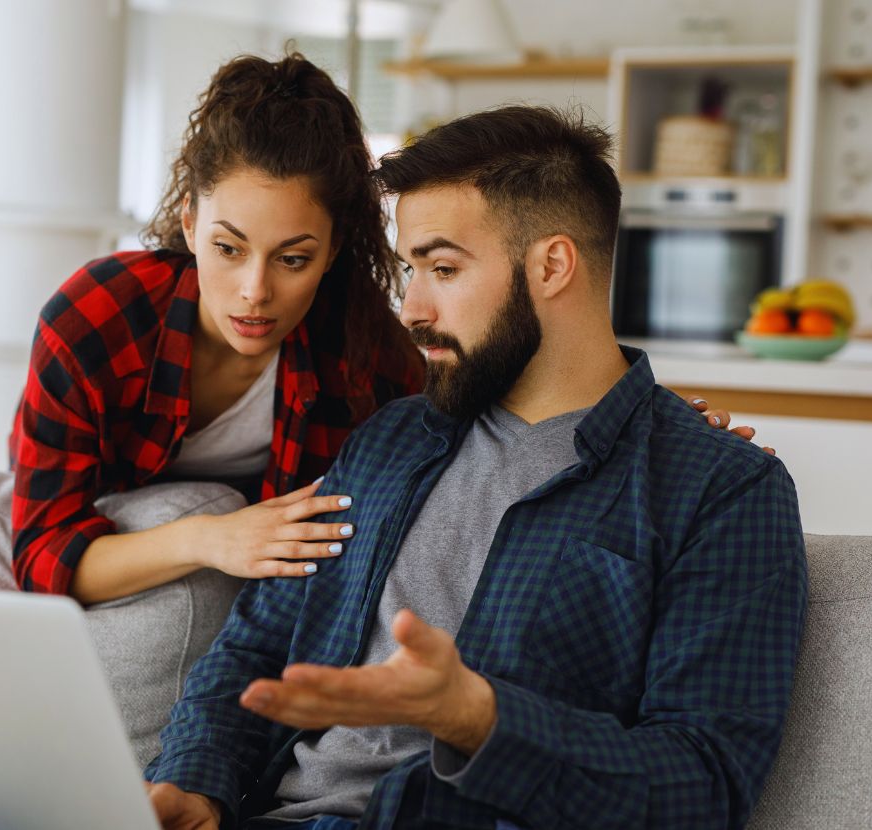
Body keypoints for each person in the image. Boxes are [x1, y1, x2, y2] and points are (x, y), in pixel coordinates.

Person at [142, 106, 808, 830]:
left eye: (443, 268)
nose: (412, 306)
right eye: (409, 269)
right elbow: (257, 646)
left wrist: (478, 719)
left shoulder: (721, 490)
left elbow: (702, 786)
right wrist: (191, 784)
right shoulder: (388, 441)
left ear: (551, 265)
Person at [8, 54, 756, 604]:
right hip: (111, 541)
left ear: (333, 251)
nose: (255, 291)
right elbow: (42, 551)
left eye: (294, 258)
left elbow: (494, 392)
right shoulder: (99, 318)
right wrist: (211, 536)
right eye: (227, 247)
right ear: (190, 221)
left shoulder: (363, 345)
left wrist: (644, 424)